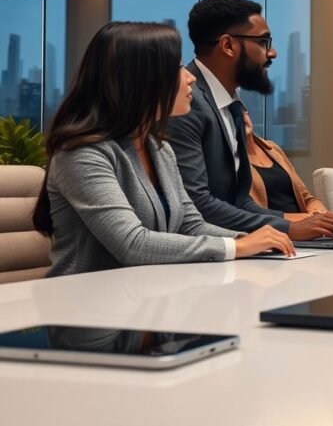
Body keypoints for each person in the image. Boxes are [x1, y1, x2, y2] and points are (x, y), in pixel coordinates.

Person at [35, 22, 295, 278]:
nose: (190, 77)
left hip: (146, 297)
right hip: (84, 306)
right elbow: (132, 244)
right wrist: (236, 246)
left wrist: (256, 242)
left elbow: (189, 225)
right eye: (179, 68)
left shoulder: (160, 149)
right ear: (141, 80)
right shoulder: (82, 154)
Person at [167, 0, 333, 240]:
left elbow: (238, 200)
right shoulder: (185, 102)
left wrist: (310, 222)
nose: (273, 53)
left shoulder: (230, 104)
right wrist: (290, 229)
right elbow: (198, 204)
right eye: (263, 42)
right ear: (227, 46)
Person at [241, 111, 333, 227]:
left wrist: (321, 215)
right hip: (280, 231)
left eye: (241, 110)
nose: (239, 116)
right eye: (230, 113)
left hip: (310, 229)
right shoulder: (230, 160)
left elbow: (307, 198)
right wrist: (306, 219)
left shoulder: (273, 149)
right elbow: (247, 211)